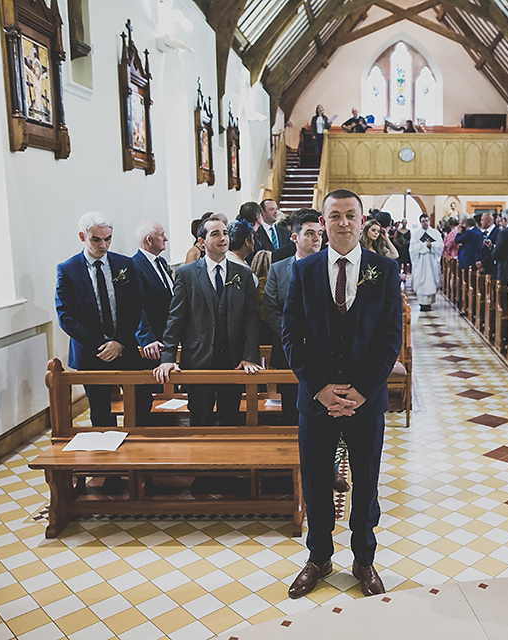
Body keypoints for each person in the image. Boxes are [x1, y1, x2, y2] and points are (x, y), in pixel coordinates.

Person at [282, 189, 402, 599]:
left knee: (365, 484)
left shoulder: (384, 270)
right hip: (316, 403)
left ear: (362, 219)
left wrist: (363, 392)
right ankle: (318, 557)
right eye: (335, 216)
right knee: (316, 482)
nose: (344, 223)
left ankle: (363, 559)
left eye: (351, 215)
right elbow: (291, 337)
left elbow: (390, 340)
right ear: (324, 220)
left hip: (365, 403)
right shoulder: (304, 270)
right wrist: (320, 389)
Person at [154, 218, 261, 426]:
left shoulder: (243, 274)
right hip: (198, 360)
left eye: (225, 233)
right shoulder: (187, 274)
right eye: (215, 234)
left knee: (230, 418)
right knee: (200, 419)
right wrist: (167, 357)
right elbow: (176, 318)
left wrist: (249, 356)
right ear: (202, 242)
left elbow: (251, 318)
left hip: (234, 361)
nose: (223, 238)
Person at [56, 213, 156, 427]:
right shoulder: (68, 269)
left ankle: (140, 450)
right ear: (82, 236)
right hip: (91, 352)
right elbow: (66, 316)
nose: (103, 245)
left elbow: (134, 306)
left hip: (124, 347)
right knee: (101, 411)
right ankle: (109, 454)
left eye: (108, 239)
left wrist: (119, 342)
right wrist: (99, 346)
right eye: (96, 239)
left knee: (142, 401)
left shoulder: (124, 264)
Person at [264, 209, 322, 427]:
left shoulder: (330, 267)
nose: (316, 238)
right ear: (294, 237)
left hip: (322, 351)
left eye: (319, 233)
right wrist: (295, 337)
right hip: (288, 351)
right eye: (309, 233)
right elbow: (271, 310)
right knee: (291, 411)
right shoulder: (279, 269)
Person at [132, 221, 172, 344]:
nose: (166, 239)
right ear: (149, 240)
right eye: (162, 235)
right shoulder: (135, 265)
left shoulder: (162, 262)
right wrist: (147, 338)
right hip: (155, 335)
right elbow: (137, 306)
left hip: (170, 331)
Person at [409, 213, 444, 311]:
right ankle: (422, 303)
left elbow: (440, 245)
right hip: (421, 262)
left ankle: (429, 303)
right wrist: (424, 246)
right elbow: (413, 248)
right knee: (422, 281)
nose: (425, 223)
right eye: (423, 221)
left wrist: (431, 246)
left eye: (426, 221)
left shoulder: (435, 233)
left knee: (431, 280)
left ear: (429, 221)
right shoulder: (416, 234)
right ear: (420, 222)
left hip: (431, 261)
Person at [227, 219, 259, 287]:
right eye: (253, 238)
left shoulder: (238, 259)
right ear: (247, 241)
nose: (254, 242)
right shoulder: (233, 264)